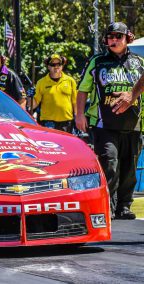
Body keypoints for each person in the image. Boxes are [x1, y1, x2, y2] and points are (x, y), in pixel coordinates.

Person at [75, 22, 144, 220]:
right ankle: (108, 204)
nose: (114, 40)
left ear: (127, 38)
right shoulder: (97, 61)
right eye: (110, 37)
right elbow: (82, 89)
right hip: (103, 124)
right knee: (109, 162)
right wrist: (80, 114)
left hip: (134, 125)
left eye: (118, 36)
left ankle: (124, 206)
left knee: (130, 167)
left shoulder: (139, 62)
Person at [32, 54, 77, 133]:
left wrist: (77, 117)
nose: (56, 67)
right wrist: (30, 97)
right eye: (53, 64)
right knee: (49, 144)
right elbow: (34, 104)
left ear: (62, 66)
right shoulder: (41, 82)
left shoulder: (70, 81)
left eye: (59, 64)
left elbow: (75, 102)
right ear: (48, 66)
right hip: (47, 122)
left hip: (66, 122)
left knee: (65, 144)